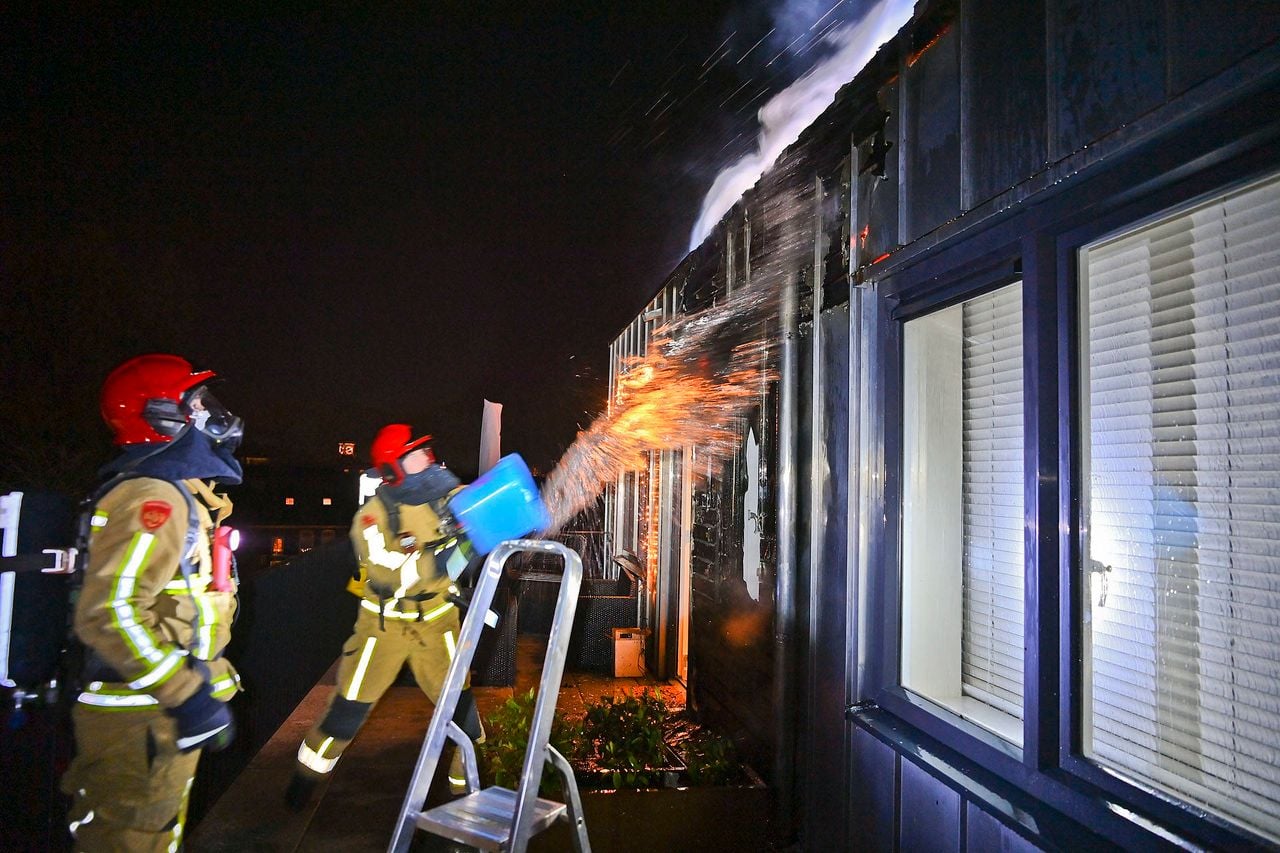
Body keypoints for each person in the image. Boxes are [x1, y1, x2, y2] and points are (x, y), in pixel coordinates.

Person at [60, 353, 246, 851]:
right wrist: (187, 695)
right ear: (162, 417)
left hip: (152, 717)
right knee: (128, 838)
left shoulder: (179, 495)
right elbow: (110, 612)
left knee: (156, 835)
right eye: (198, 404)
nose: (215, 417)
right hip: (138, 719)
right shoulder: (151, 499)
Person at [285, 423, 485, 810]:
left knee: (463, 713)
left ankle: (468, 789)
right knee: (348, 710)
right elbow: (386, 568)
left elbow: (479, 506)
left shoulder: (445, 497)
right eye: (415, 456)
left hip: (438, 622)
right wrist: (443, 558)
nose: (427, 461)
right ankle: (305, 779)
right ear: (392, 471)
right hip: (383, 628)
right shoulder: (371, 517)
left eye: (426, 452)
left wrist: (502, 511)